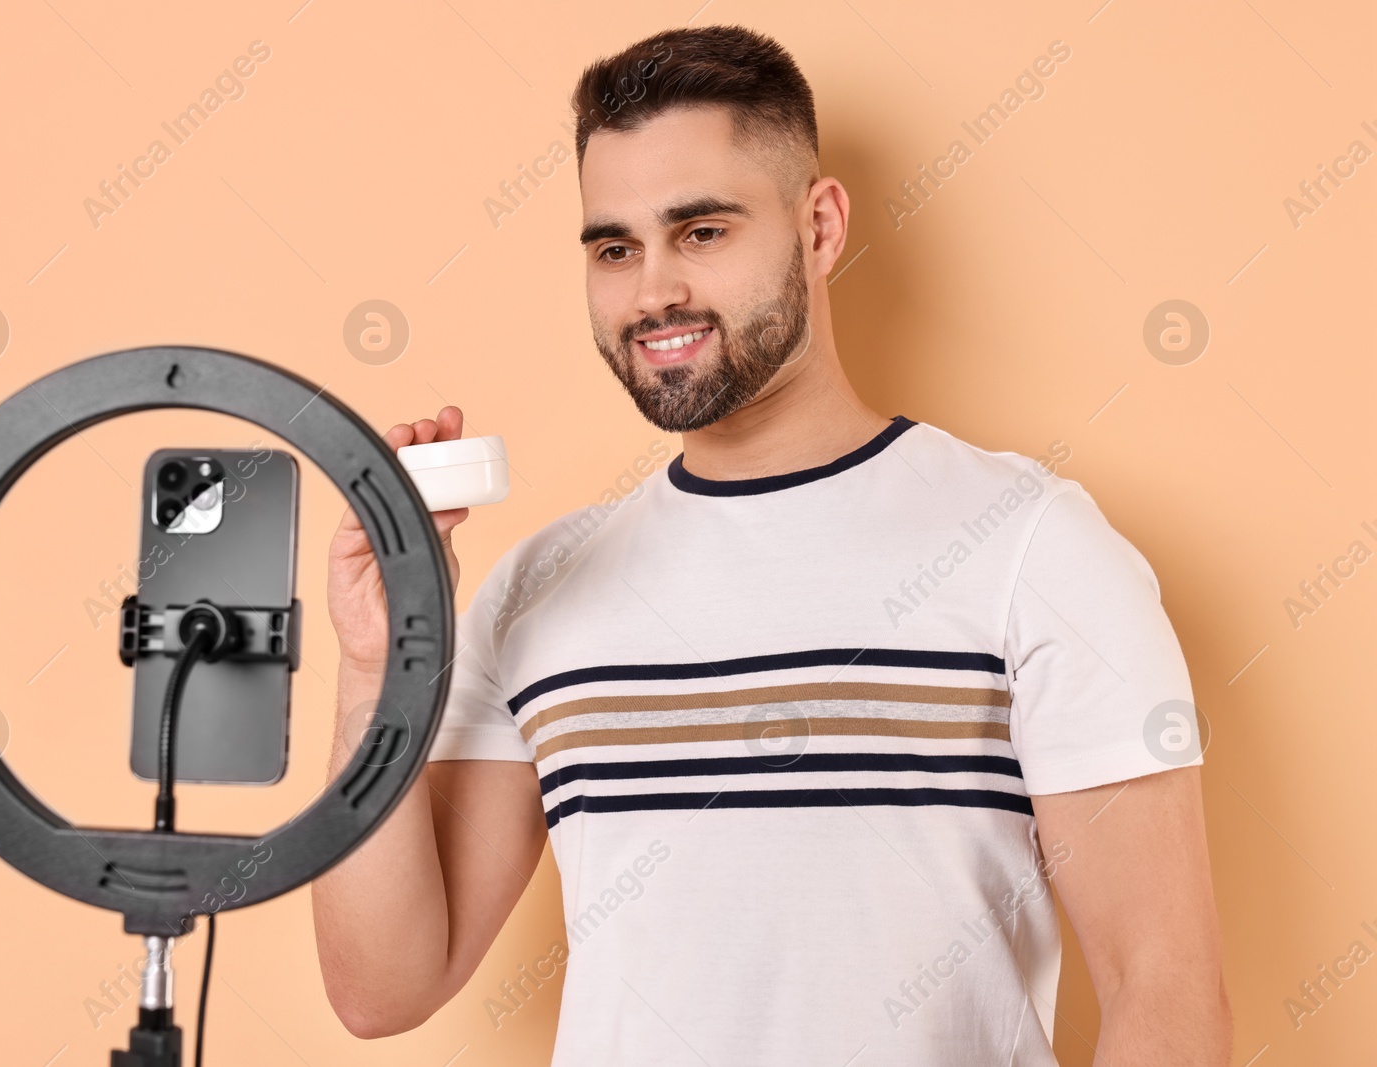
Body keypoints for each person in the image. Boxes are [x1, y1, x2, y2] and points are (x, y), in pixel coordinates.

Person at [313, 23, 1231, 1065]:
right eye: (614, 247)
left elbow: (1166, 989)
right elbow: (380, 986)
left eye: (700, 231)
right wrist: (372, 673)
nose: (651, 290)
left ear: (820, 226)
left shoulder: (1029, 546)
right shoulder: (539, 590)